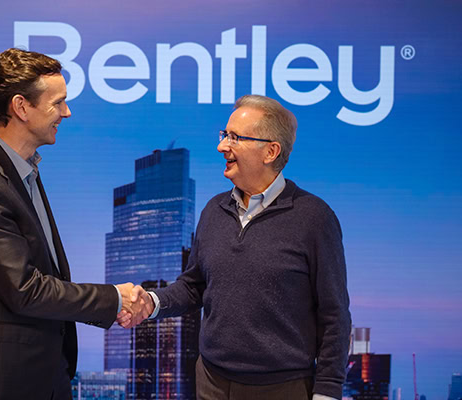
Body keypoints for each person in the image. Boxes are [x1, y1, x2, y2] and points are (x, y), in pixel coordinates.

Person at [0, 48, 144, 400]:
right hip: (0, 382)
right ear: (21, 107)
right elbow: (24, 289)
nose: (67, 112)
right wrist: (113, 298)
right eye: (57, 103)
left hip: (38, 374)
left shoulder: (21, 171)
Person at [120, 95, 351, 400]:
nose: (222, 146)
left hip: (284, 390)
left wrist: (327, 392)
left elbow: (334, 314)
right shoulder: (213, 210)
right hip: (211, 383)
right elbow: (194, 286)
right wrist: (151, 302)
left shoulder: (315, 218)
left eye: (235, 138)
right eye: (224, 135)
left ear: (271, 151)